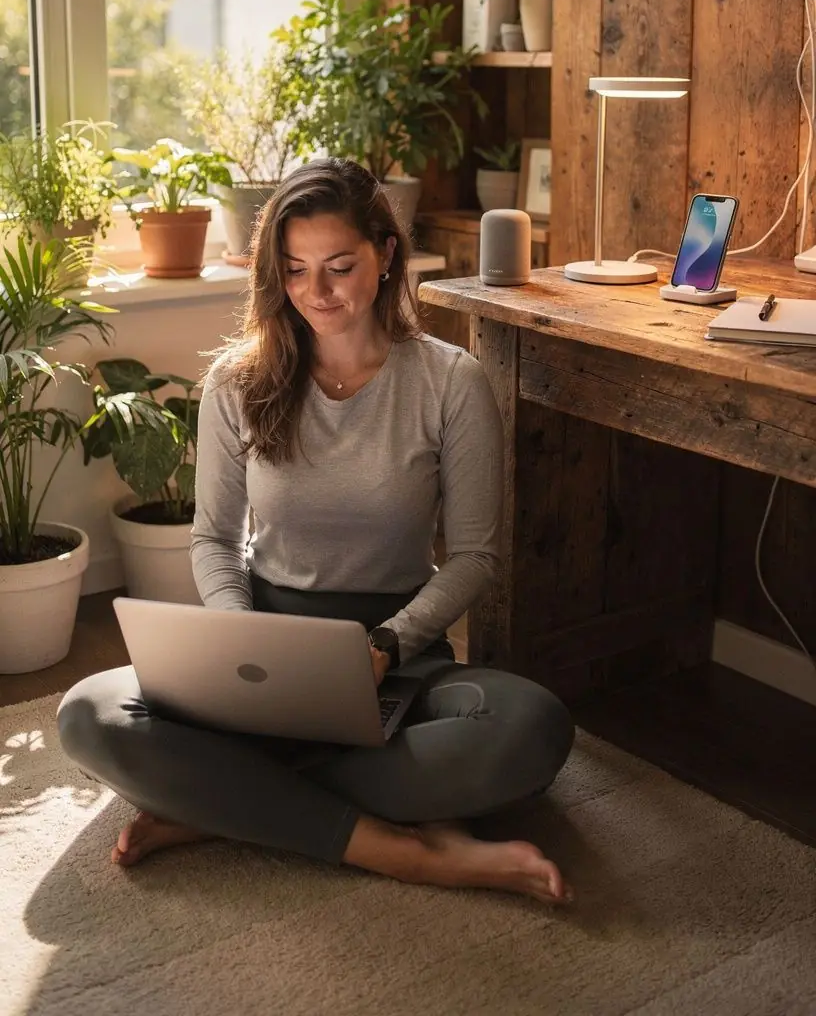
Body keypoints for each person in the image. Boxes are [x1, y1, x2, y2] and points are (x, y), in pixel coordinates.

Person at [58, 158, 575, 904]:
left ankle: (221, 805)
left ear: (386, 254)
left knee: (532, 728)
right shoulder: (238, 381)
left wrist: (386, 646)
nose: (317, 293)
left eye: (338, 267)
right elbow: (212, 540)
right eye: (295, 271)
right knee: (89, 714)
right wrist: (237, 641)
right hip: (264, 655)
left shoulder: (449, 382)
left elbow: (474, 557)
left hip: (396, 654)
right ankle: (398, 848)